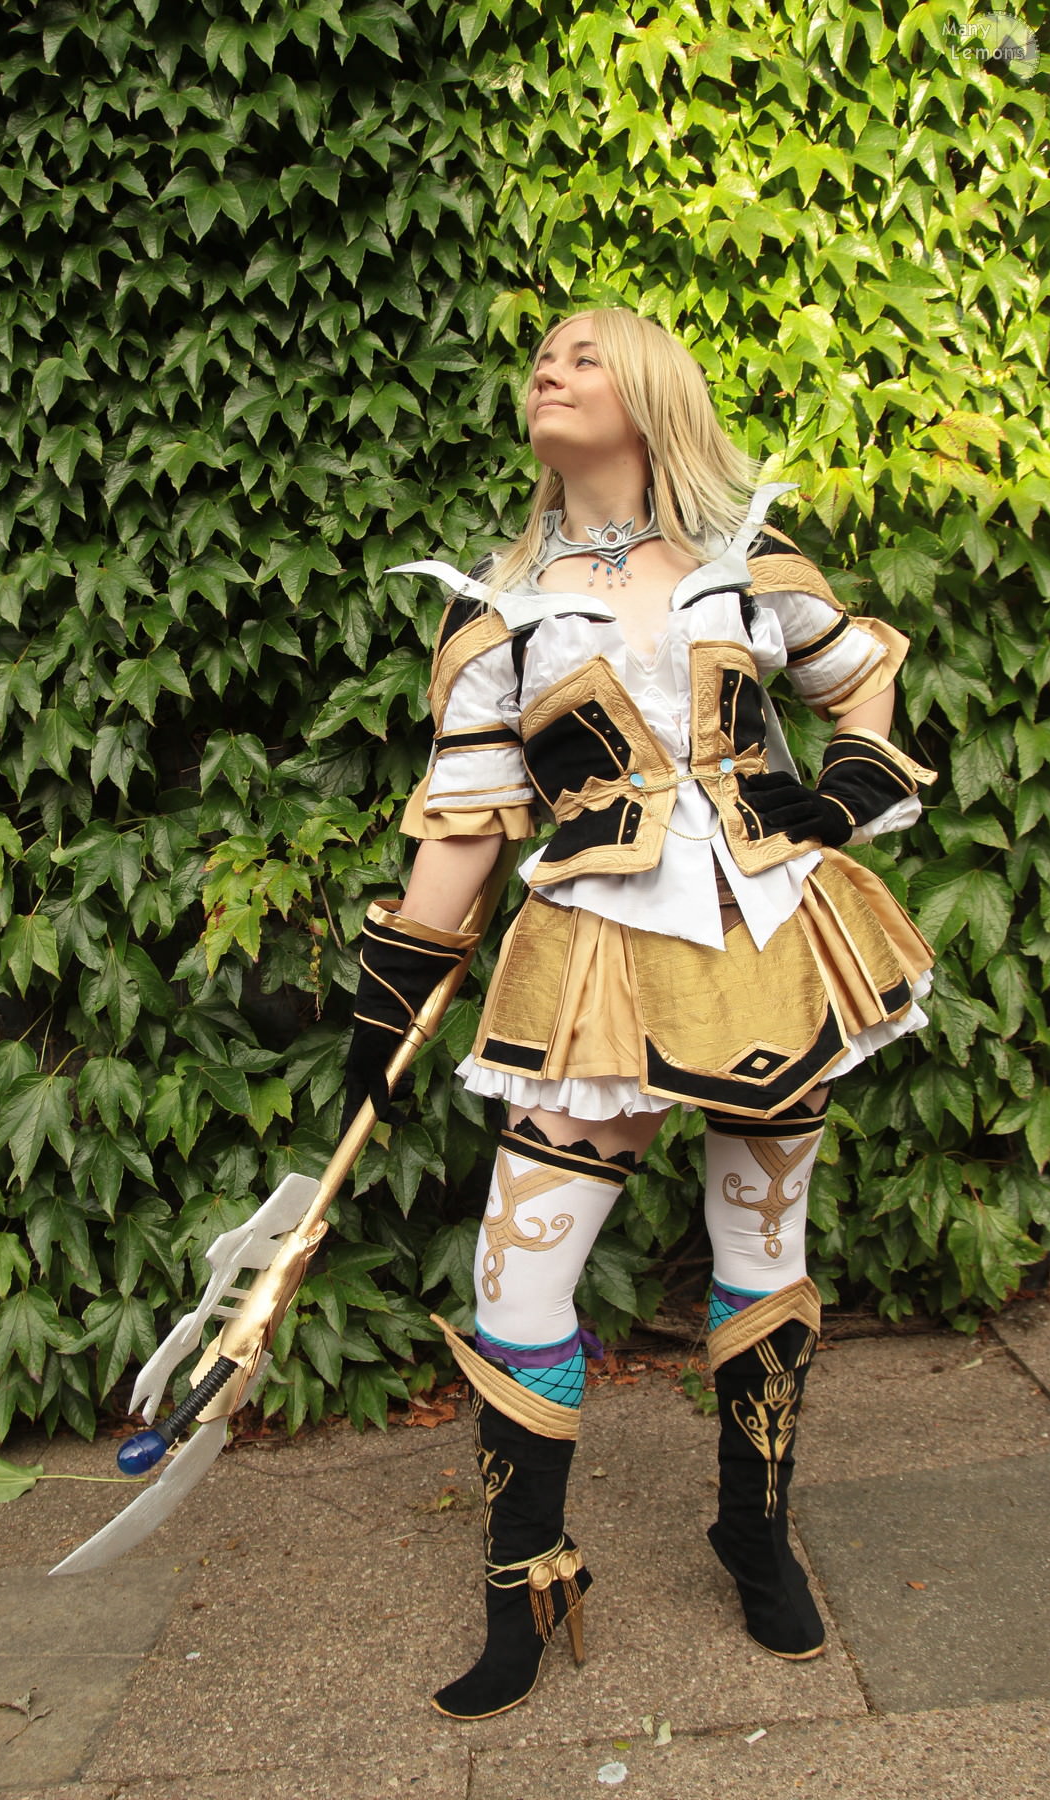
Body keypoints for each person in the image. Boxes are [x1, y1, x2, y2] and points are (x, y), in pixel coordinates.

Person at [343, 308, 935, 1721]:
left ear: (652, 389)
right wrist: (389, 1006)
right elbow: (467, 825)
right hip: (595, 957)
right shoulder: (495, 608)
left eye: (584, 355)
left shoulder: (750, 559)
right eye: (540, 356)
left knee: (763, 1244)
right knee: (518, 1280)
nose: (549, 369)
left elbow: (859, 680)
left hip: (772, 937)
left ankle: (754, 1533)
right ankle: (523, 1583)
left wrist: (846, 789)